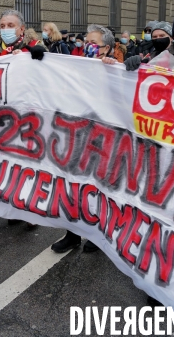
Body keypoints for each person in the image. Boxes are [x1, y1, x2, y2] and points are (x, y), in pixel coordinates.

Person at [51, 24, 115, 254]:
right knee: (72, 187)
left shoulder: (116, 70)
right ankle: (72, 234)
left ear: (106, 48)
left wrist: (115, 69)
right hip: (76, 135)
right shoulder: (78, 65)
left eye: (93, 43)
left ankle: (98, 236)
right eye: (86, 41)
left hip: (102, 140)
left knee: (98, 190)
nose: (86, 45)